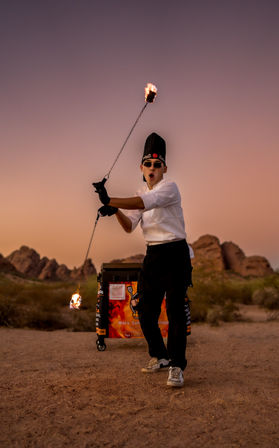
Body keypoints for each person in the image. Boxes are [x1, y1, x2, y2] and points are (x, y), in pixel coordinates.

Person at [94, 132, 192, 387]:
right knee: (145, 311)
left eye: (157, 165)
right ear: (141, 167)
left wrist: (109, 199)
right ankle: (159, 355)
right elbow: (129, 226)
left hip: (175, 253)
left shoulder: (169, 188)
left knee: (174, 313)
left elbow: (143, 202)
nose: (152, 168)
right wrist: (115, 210)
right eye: (148, 164)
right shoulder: (139, 192)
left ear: (164, 168)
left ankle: (177, 367)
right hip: (153, 255)